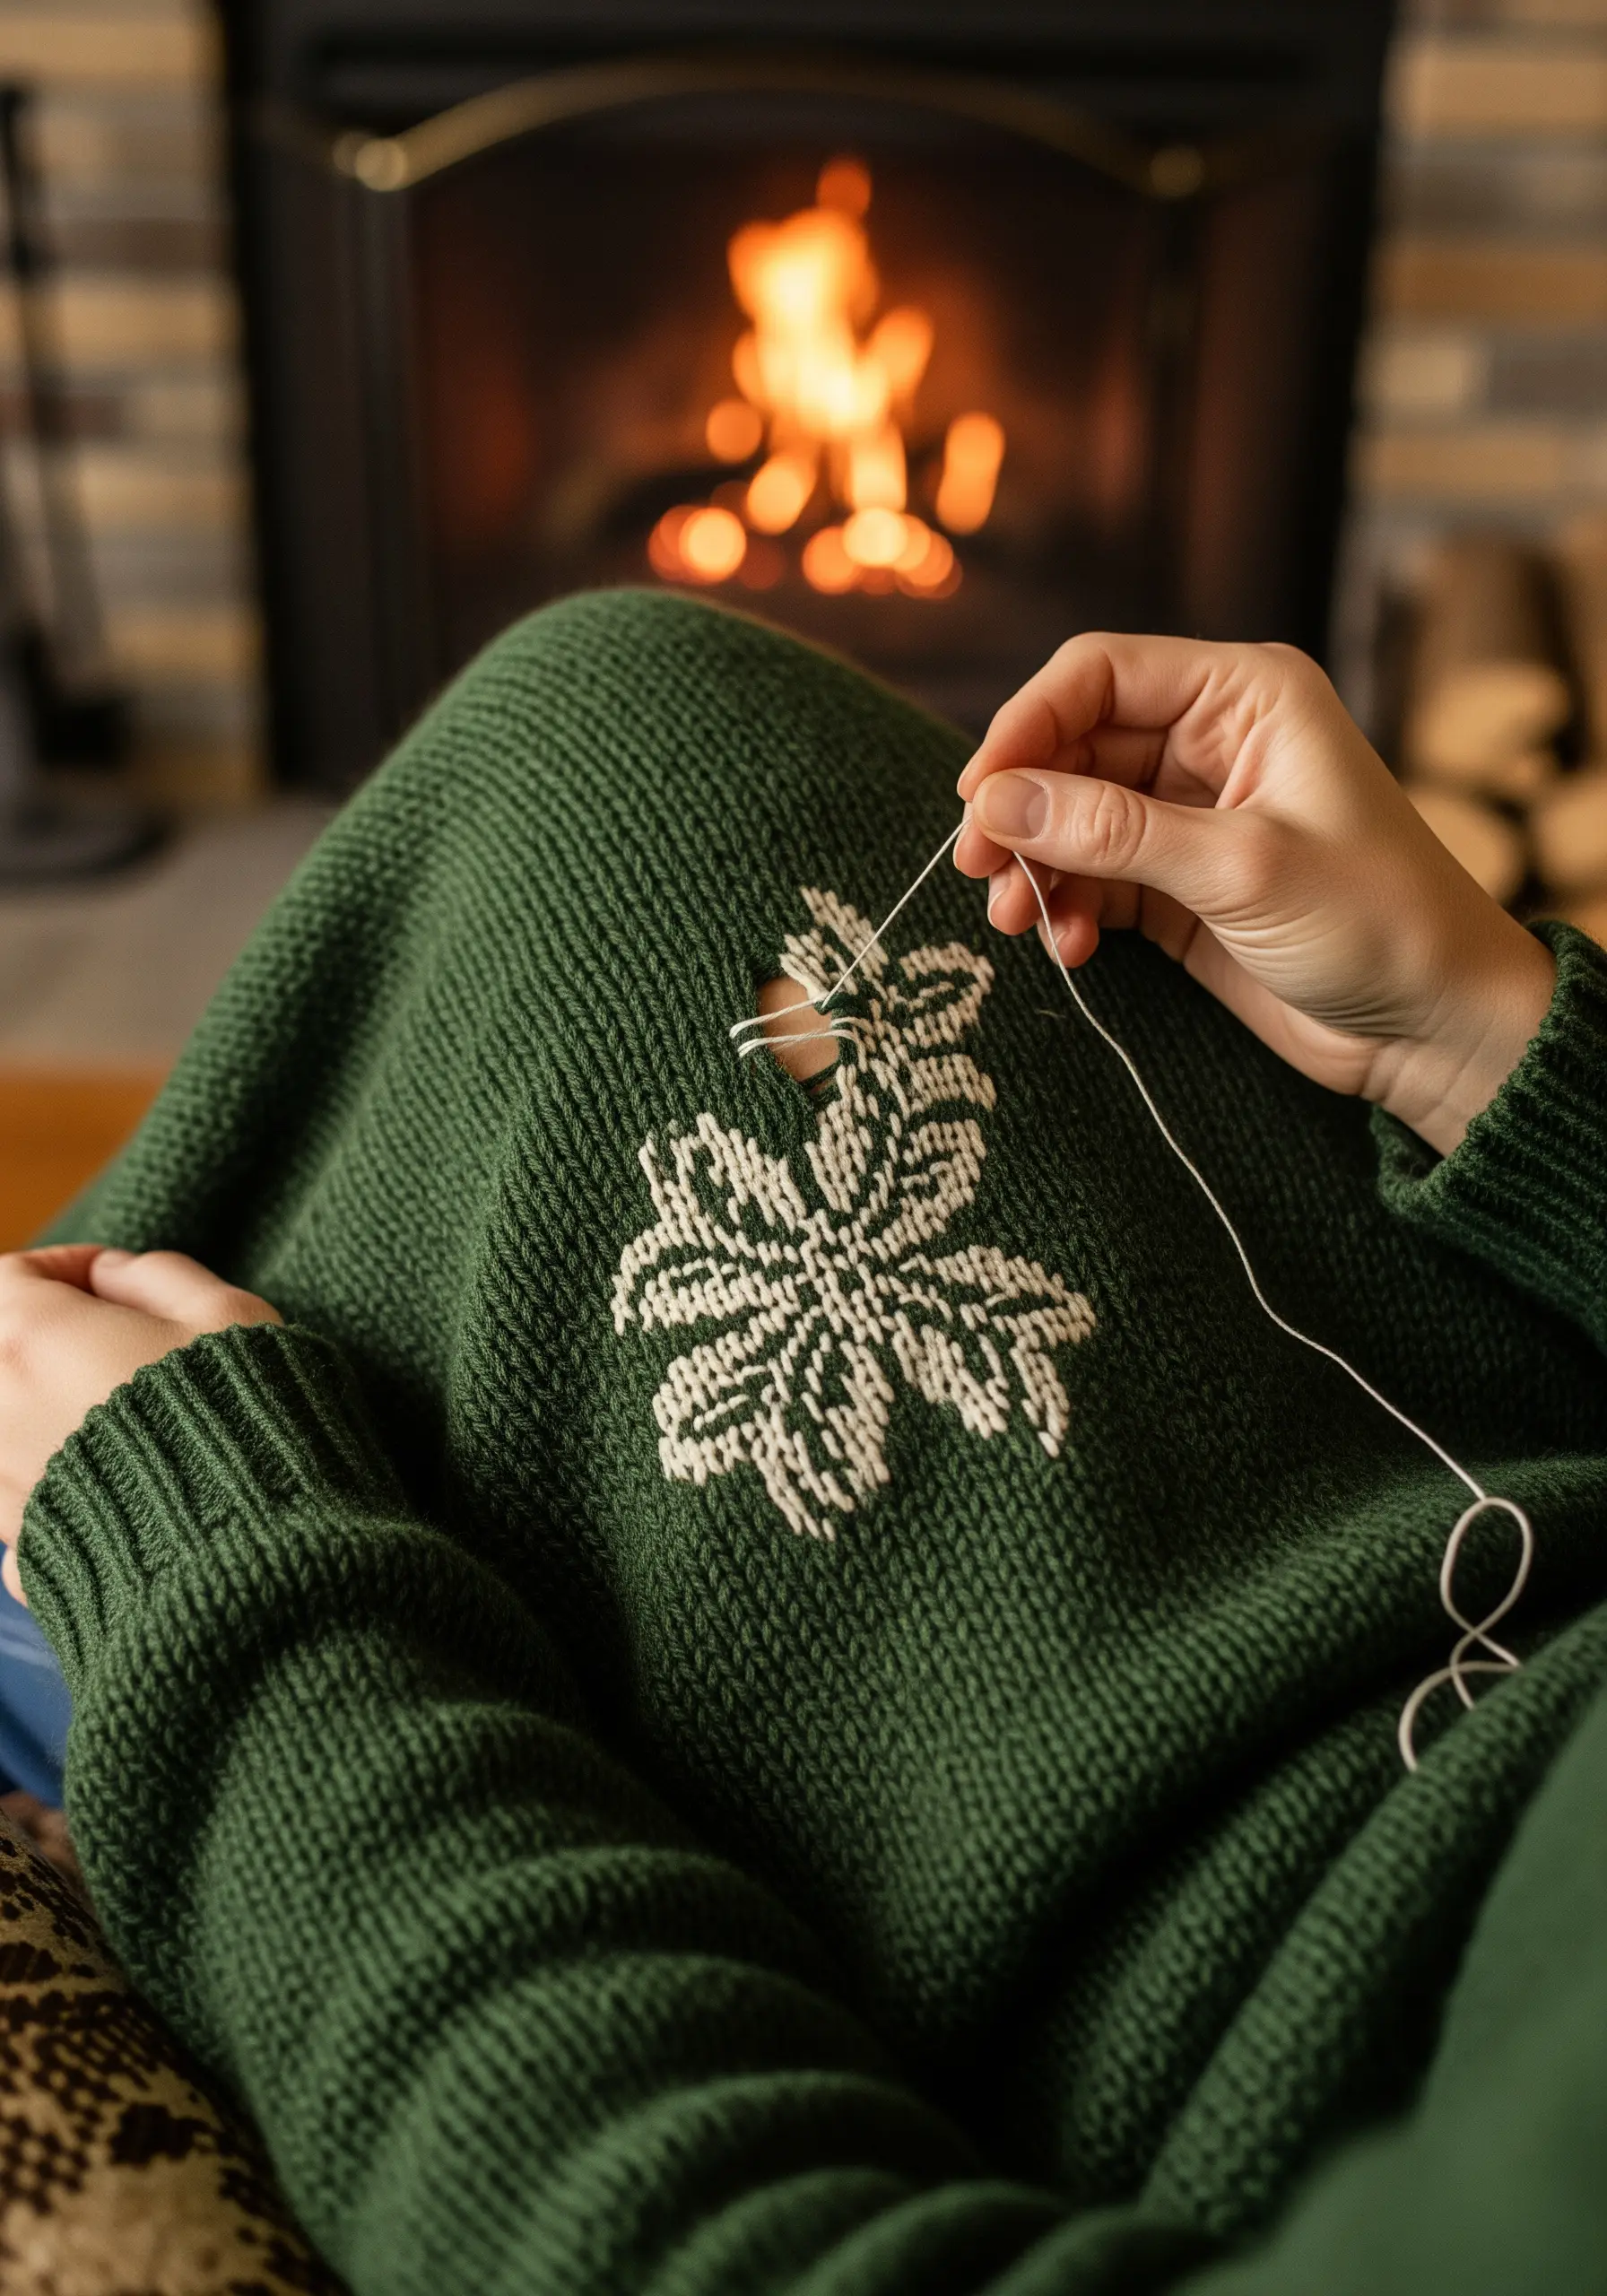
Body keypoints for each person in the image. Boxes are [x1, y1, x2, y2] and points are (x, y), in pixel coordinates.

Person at [0, 588, 1603, 2294]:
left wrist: (214, 1582)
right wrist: (1491, 1035)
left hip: (1187, 1940)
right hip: (1487, 1464)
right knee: (605, 741)